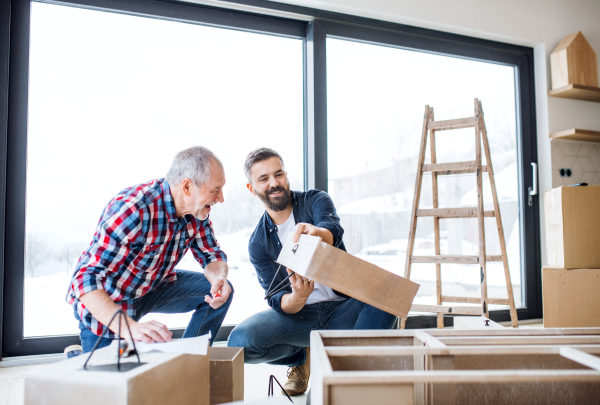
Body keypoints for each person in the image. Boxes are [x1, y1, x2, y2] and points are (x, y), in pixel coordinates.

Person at [227, 147, 396, 395]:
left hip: (342, 309)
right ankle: (300, 356)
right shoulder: (258, 242)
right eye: (263, 179)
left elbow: (332, 228)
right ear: (251, 188)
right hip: (299, 317)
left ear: (286, 175)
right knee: (238, 343)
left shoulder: (314, 200)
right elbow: (276, 299)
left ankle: (350, 373)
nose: (274, 183)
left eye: (278, 174)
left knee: (389, 292)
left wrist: (318, 233)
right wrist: (297, 298)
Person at [66, 146, 233, 353]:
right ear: (187, 187)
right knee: (109, 380)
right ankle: (76, 356)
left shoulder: (196, 212)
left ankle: (190, 358)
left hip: (151, 286)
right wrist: (130, 328)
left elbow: (212, 254)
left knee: (221, 292)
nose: (221, 198)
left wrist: (219, 278)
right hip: (112, 299)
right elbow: (85, 279)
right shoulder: (132, 209)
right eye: (215, 190)